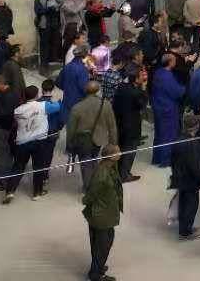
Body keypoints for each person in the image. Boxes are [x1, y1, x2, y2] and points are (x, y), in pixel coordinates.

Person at [65, 80, 118, 191]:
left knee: (85, 163)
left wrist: (69, 144)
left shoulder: (77, 107)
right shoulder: (106, 105)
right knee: (94, 160)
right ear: (98, 91)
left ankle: (88, 187)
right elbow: (112, 126)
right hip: (99, 139)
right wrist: (113, 143)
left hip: (82, 141)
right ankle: (94, 183)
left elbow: (70, 129)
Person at [81, 147, 123, 281]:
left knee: (103, 242)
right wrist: (87, 201)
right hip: (101, 215)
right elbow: (91, 193)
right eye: (117, 151)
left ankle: (98, 267)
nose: (120, 153)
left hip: (106, 213)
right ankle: (96, 275)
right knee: (102, 246)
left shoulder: (110, 167)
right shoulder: (102, 174)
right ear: (110, 156)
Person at [170, 109, 200, 239]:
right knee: (191, 205)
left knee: (183, 202)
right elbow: (196, 167)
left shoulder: (177, 140)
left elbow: (173, 160)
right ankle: (186, 231)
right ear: (195, 127)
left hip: (179, 177)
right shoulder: (193, 144)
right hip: (190, 181)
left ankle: (184, 227)